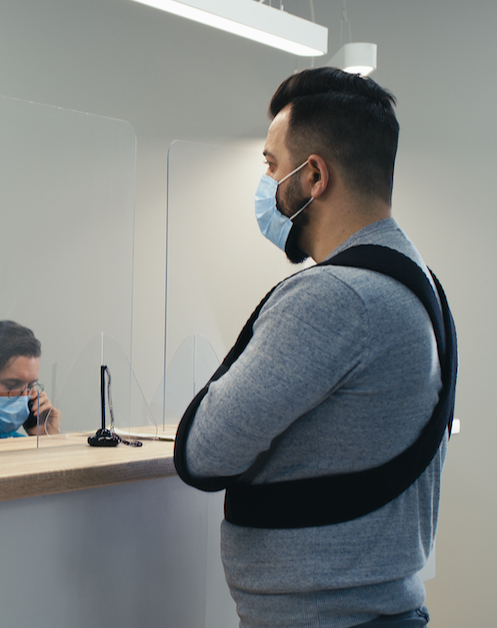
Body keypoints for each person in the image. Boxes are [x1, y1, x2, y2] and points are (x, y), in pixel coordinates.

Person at [173, 68, 456, 628]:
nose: (268, 186)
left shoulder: (334, 296)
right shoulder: (420, 285)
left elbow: (204, 453)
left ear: (315, 176)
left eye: (272, 167)